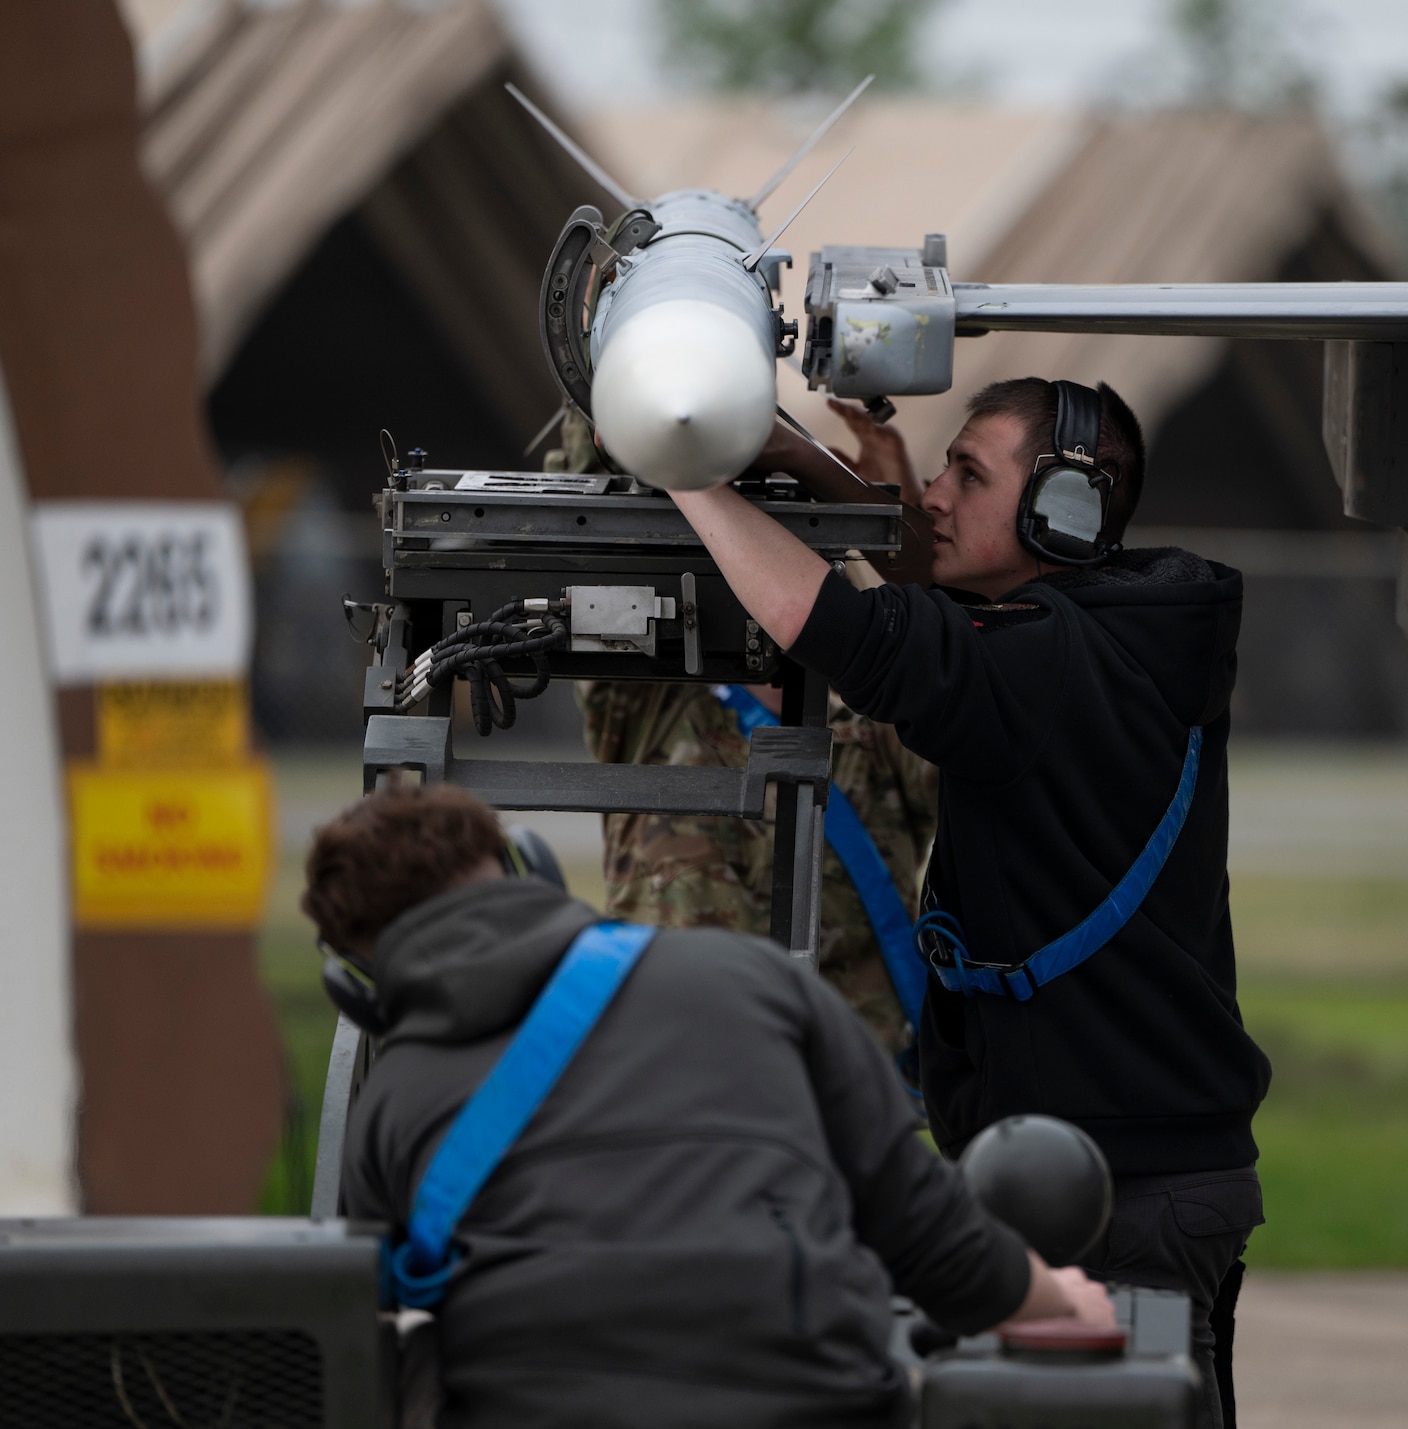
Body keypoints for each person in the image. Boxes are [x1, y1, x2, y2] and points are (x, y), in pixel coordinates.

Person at [667, 377, 1272, 1429]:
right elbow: (941, 604)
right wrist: (809, 463)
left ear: (1062, 513)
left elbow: (843, 628)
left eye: (967, 474)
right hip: (1124, 1170)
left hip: (1117, 1196)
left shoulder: (1047, 663)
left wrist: (682, 472)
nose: (936, 496)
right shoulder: (1118, 628)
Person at [309, 783, 1110, 1428]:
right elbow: (921, 1223)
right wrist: (1052, 1299)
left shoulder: (388, 1105)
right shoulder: (750, 977)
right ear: (528, 870)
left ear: (358, 982)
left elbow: (367, 1335)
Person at [562, 402, 937, 1059]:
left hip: (840, 1103)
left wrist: (905, 529)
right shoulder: (652, 697)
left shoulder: (881, 727)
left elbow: (970, 677)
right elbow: (591, 490)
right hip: (672, 1082)